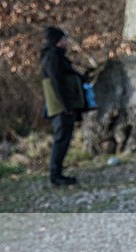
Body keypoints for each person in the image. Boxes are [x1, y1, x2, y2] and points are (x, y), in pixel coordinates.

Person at [40, 26, 83, 186]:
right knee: (61, 139)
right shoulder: (53, 57)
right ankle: (55, 175)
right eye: (64, 38)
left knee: (63, 138)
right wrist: (66, 106)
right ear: (57, 40)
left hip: (63, 107)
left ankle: (57, 174)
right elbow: (56, 84)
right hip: (61, 108)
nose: (66, 41)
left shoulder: (55, 56)